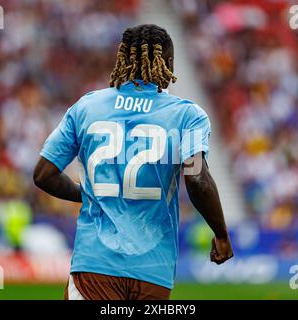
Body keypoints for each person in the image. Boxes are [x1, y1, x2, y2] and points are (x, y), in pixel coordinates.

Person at [33, 24, 233, 300]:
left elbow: (44, 174)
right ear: (169, 64)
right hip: (153, 269)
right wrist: (221, 233)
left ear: (123, 61)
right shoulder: (187, 115)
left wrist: (87, 193)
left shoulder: (87, 107)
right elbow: (197, 178)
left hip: (94, 264)